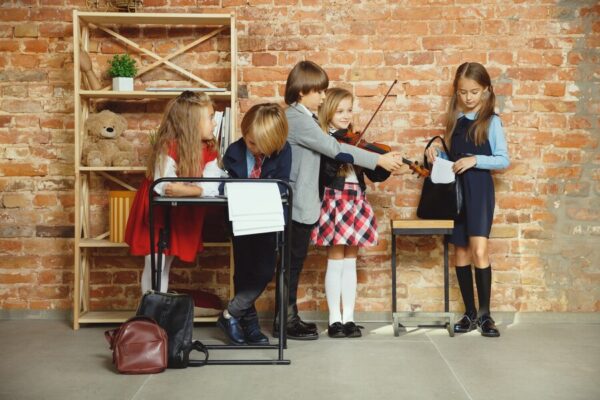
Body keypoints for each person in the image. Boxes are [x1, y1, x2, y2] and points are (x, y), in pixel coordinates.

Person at [279, 60, 402, 340]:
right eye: (319, 91)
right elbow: (334, 148)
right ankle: (289, 319)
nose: (323, 97)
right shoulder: (297, 119)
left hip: (329, 200)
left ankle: (291, 318)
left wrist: (382, 163)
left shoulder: (305, 118)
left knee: (296, 262)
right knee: (292, 263)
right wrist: (378, 157)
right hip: (306, 200)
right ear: (302, 91)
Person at [425, 62, 509, 337]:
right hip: (456, 193)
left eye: (474, 91)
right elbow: (453, 159)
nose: (468, 97)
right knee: (459, 251)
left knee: (479, 250)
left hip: (480, 190)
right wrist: (438, 153)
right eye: (462, 92)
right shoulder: (456, 122)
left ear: (485, 90)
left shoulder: (492, 121)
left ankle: (485, 316)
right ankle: (469, 313)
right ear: (456, 92)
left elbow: (502, 159)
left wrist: (475, 159)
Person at [311, 88, 391, 338]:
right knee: (335, 259)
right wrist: (341, 151)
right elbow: (323, 174)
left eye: (349, 110)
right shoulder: (324, 140)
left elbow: (375, 173)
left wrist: (384, 161)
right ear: (327, 112)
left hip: (356, 200)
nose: (346, 116)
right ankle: (334, 319)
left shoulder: (355, 140)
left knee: (351, 262)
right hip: (334, 201)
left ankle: (350, 318)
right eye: (340, 111)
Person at [125, 91, 218, 293]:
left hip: (178, 211)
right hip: (157, 211)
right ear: (191, 123)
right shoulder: (167, 146)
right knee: (154, 263)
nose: (215, 123)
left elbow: (214, 184)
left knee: (165, 264)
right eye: (210, 118)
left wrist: (190, 191)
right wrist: (194, 189)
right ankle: (150, 316)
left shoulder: (209, 149)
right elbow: (164, 185)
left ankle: (156, 316)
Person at [216, 103, 291, 345]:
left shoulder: (284, 151)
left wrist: (250, 191)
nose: (255, 149)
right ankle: (249, 325)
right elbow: (222, 185)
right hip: (240, 219)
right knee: (244, 272)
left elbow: (282, 185)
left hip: (267, 221)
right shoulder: (234, 151)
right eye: (251, 142)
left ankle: (231, 313)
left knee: (265, 271)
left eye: (260, 145)